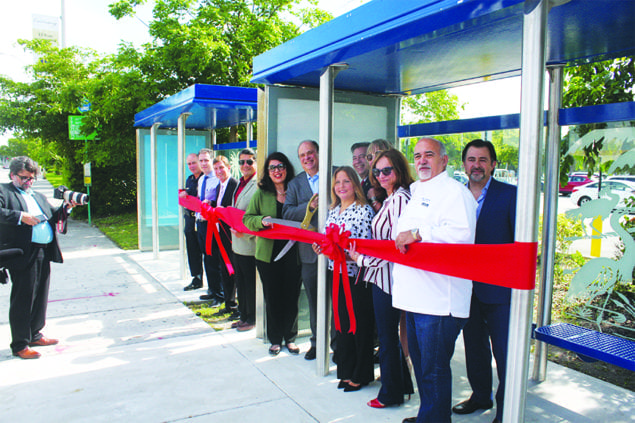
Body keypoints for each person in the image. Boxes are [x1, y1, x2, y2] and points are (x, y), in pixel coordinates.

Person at [393, 138, 477, 423]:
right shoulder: (416, 191)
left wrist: (418, 233)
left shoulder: (456, 193)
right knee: (422, 366)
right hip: (416, 297)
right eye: (417, 156)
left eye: (429, 154)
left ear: (444, 159)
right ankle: (429, 415)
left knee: (434, 368)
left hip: (440, 301)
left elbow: (461, 236)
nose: (422, 160)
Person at [452, 139, 516, 423]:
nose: (476, 165)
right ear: (464, 164)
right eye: (471, 159)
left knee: (504, 353)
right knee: (474, 346)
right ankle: (480, 397)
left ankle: (506, 410)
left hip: (501, 290)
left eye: (482, 160)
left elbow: (520, 244)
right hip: (466, 287)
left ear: (493, 164)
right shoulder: (456, 195)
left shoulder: (511, 195)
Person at [349, 149, 415, 408]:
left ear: (399, 170)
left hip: (388, 278)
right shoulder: (391, 198)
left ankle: (391, 394)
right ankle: (402, 386)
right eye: (377, 171)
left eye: (387, 170)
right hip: (383, 277)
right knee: (388, 339)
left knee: (387, 339)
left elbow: (392, 246)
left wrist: (361, 260)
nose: (381, 175)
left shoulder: (399, 199)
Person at [0, 156, 78, 359]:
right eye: (24, 178)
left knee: (40, 295)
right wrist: (20, 217)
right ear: (12, 175)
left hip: (43, 250)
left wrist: (66, 208)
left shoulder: (37, 196)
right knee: (23, 298)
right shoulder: (4, 191)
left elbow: (53, 216)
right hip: (23, 252)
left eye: (32, 178)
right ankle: (20, 344)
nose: (29, 182)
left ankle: (35, 334)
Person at [313, 166, 374, 392]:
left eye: (346, 181)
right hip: (335, 273)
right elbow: (329, 240)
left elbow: (366, 249)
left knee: (359, 325)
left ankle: (362, 372)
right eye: (337, 182)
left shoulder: (364, 210)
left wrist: (340, 253)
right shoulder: (333, 210)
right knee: (342, 324)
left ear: (355, 184)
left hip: (356, 277)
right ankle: (346, 370)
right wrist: (322, 247)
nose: (341, 186)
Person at [243, 152, 302, 356]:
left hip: (293, 254)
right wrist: (262, 221)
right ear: (267, 172)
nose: (277, 171)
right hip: (268, 256)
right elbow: (247, 219)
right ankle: (275, 339)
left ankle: (291, 338)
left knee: (291, 296)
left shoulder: (296, 190)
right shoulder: (261, 193)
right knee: (273, 296)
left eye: (281, 166)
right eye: (272, 167)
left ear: (287, 168)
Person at [283, 140, 321, 360]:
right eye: (302, 155)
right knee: (315, 302)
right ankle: (316, 343)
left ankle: (336, 344)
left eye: (310, 153)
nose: (307, 158)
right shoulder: (296, 184)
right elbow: (287, 213)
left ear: (318, 153)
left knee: (337, 302)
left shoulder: (335, 175)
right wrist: (309, 207)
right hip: (308, 253)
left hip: (336, 251)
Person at [230, 148, 258, 332]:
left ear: (256, 162)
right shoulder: (240, 183)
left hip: (249, 244)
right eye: (242, 162)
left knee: (250, 285)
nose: (245, 165)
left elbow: (260, 215)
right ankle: (243, 315)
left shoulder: (258, 185)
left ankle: (251, 317)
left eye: (249, 161)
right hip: (237, 244)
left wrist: (246, 233)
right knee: (240, 282)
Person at [210, 155, 239, 317]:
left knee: (233, 269)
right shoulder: (218, 186)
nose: (219, 171)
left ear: (228, 167)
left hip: (232, 235)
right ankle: (229, 303)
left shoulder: (234, 185)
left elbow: (233, 208)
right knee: (224, 268)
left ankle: (236, 305)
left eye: (221, 167)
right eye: (216, 169)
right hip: (220, 233)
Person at [195, 148, 222, 306]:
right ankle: (212, 290)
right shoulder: (201, 179)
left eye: (206, 160)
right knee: (206, 258)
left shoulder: (217, 179)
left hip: (212, 225)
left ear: (212, 161)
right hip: (201, 223)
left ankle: (220, 294)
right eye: (201, 161)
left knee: (214, 259)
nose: (204, 163)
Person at [183, 153, 204, 291]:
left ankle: (215, 283)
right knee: (192, 249)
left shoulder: (206, 178)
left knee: (207, 251)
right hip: (190, 219)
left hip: (202, 220)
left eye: (194, 163)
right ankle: (196, 278)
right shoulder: (189, 179)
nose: (191, 166)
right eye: (189, 164)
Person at [365, 139, 392, 212]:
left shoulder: (392, 180)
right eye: (370, 157)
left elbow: (389, 216)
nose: (374, 159)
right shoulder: (368, 182)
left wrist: (374, 200)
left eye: (378, 154)